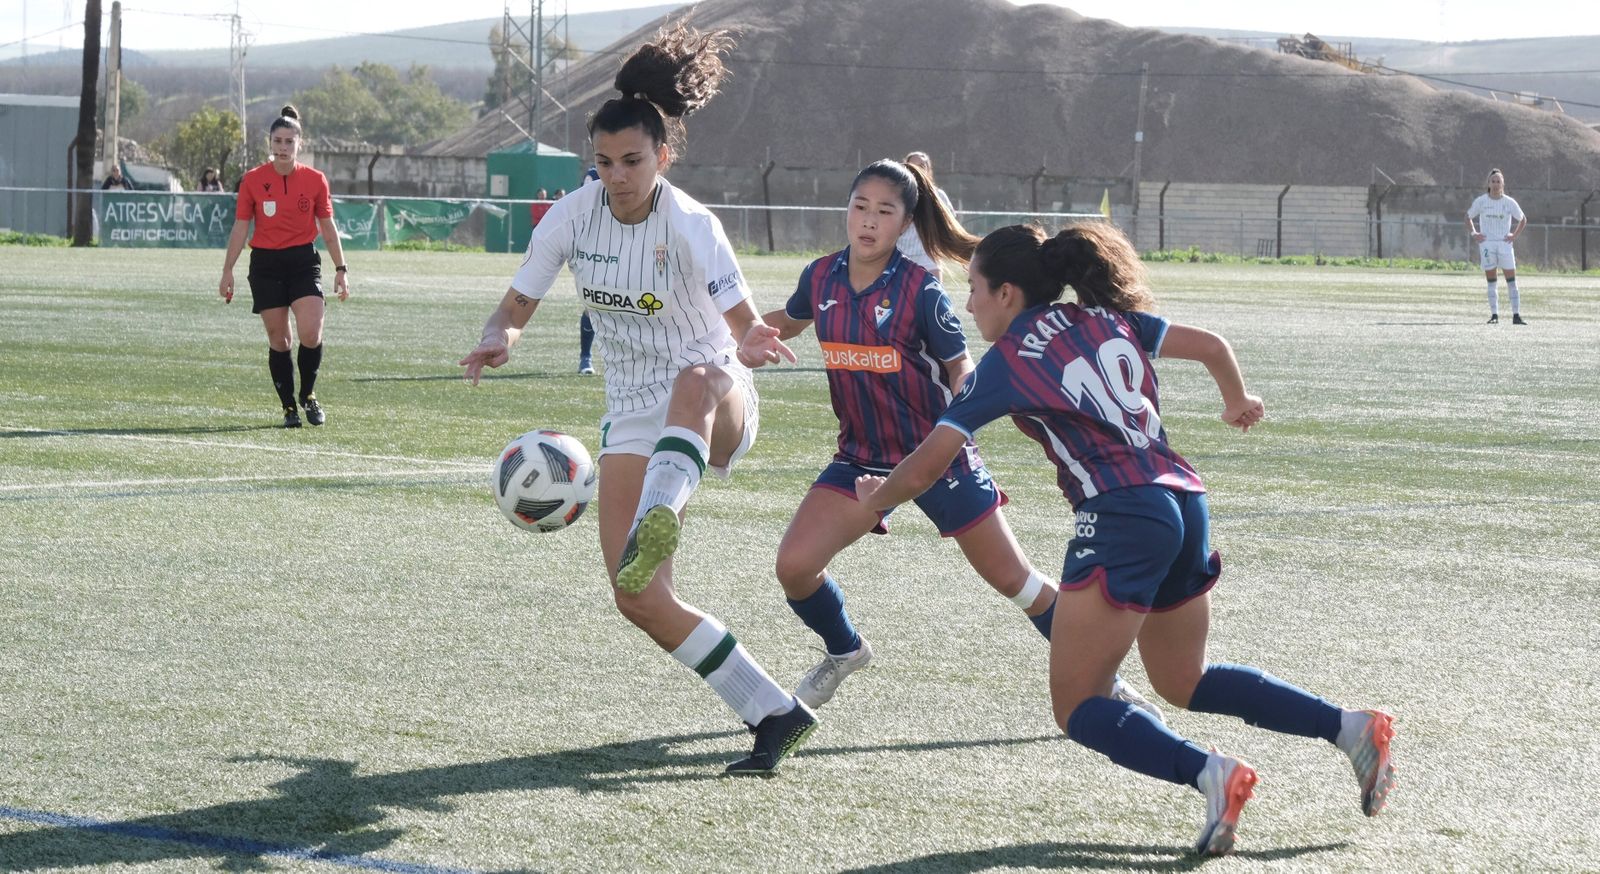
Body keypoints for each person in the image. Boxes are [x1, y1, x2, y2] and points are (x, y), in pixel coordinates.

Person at [855, 222, 1397, 855]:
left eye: (973, 288)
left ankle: (1211, 774)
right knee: (1183, 679)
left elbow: (927, 465)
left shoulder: (1007, 361)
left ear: (1006, 293)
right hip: (1184, 500)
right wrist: (1236, 400)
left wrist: (877, 499)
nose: (968, 304)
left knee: (1077, 705)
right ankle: (1350, 728)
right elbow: (1212, 345)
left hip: (1122, 514)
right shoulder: (1109, 318)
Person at [458, 23, 816, 776]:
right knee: (638, 596)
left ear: (662, 157)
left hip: (716, 396)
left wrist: (753, 339)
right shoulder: (571, 217)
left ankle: (664, 508)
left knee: (695, 379)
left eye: (632, 161)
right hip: (632, 411)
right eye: (604, 161)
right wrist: (498, 336)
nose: (617, 175)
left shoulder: (690, 223)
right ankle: (774, 711)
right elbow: (516, 305)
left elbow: (741, 321)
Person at [758, 160, 1159, 717]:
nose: (868, 221)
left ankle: (1105, 679)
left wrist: (969, 406)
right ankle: (845, 649)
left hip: (938, 457)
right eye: (860, 207)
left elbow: (959, 366)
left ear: (905, 225)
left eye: (885, 212)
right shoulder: (820, 276)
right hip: (861, 459)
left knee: (1016, 581)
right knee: (795, 567)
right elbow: (787, 320)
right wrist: (740, 333)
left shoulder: (920, 289)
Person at [218, 104, 350, 428]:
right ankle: (289, 406)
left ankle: (308, 395)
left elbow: (328, 227)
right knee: (280, 340)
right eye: (277, 141)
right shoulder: (252, 180)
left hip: (303, 261)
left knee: (311, 332)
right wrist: (227, 270)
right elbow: (240, 227)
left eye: (289, 141)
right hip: (266, 265)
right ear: (270, 142)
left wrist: (341, 269)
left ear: (299, 144)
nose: (283, 147)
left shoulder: (315, 180)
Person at [1465, 168, 1528, 325]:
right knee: (1491, 281)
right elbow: (1467, 217)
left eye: (1498, 181)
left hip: (1505, 245)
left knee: (1511, 281)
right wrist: (1474, 233)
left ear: (1503, 184)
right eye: (1493, 181)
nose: (1495, 184)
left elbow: (1522, 219)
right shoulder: (1481, 201)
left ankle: (1516, 315)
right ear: (1488, 183)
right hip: (1487, 245)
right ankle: (1494, 315)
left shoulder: (1509, 202)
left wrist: (1514, 235)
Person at [894, 151, 955, 281]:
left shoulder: (938, 196)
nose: (917, 169)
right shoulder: (896, 195)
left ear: (928, 170)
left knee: (934, 294)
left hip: (929, 260)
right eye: (913, 166)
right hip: (899, 260)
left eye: (922, 166)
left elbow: (951, 224)